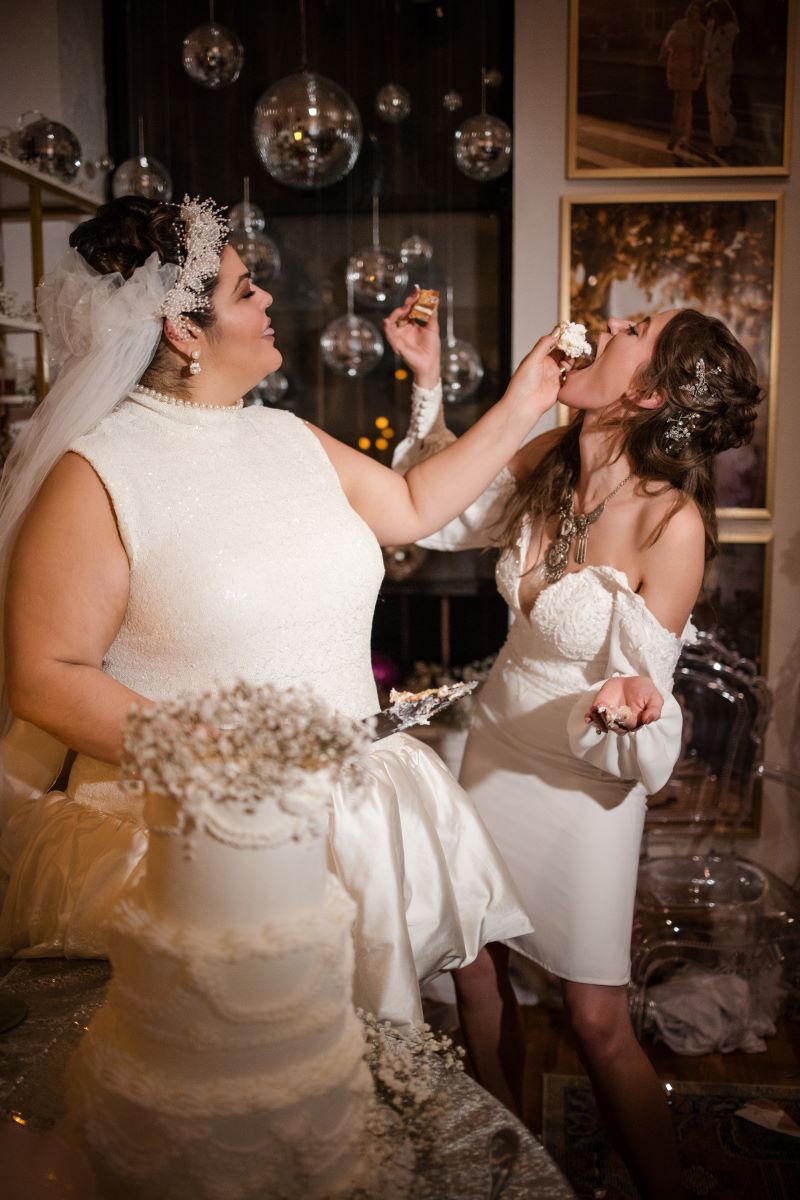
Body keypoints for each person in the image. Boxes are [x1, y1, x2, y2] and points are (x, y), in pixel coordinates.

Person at [0, 195, 562, 1026]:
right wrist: (223, 760)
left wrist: (525, 400)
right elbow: (46, 679)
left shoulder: (287, 436)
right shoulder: (98, 474)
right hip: (202, 835)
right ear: (183, 332)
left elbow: (412, 503)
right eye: (243, 290)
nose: (268, 302)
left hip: (351, 814)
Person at [390, 306, 760, 1197]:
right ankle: (511, 1172)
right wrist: (428, 379)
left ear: (650, 389)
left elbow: (645, 706)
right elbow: (442, 512)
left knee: (595, 1021)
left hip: (585, 777)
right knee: (476, 976)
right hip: (493, 747)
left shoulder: (671, 522)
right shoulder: (548, 458)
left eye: (633, 326)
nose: (605, 322)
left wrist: (631, 705)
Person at [659, 2, 707, 153]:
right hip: (675, 66)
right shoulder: (678, 23)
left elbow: (700, 51)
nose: (692, 12)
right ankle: (688, 133)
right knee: (685, 102)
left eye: (696, 11)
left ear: (699, 14)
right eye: (691, 9)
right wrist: (663, 54)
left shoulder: (700, 28)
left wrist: (697, 68)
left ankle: (674, 136)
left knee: (680, 101)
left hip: (689, 68)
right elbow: (668, 40)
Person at [704, 0, 739, 158]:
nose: (712, 15)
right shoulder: (711, 25)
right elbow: (707, 46)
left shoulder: (731, 28)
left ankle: (729, 128)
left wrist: (706, 59)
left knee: (719, 98)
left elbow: (722, 50)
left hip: (723, 67)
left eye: (714, 12)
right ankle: (718, 141)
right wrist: (706, 58)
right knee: (712, 104)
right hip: (711, 68)